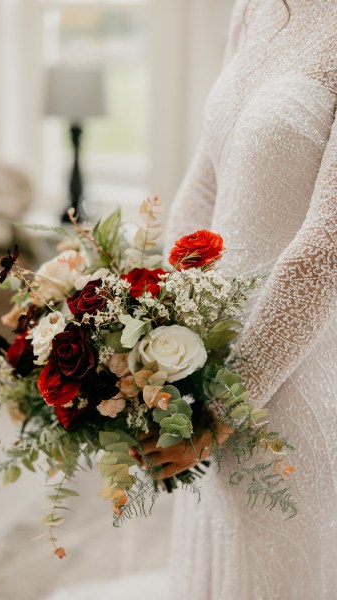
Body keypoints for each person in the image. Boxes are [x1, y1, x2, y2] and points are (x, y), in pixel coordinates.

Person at [139, 1, 337, 598]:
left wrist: (226, 407)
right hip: (204, 358)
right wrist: (147, 328)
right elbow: (204, 181)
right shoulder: (250, 8)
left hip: (289, 370)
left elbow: (325, 247)